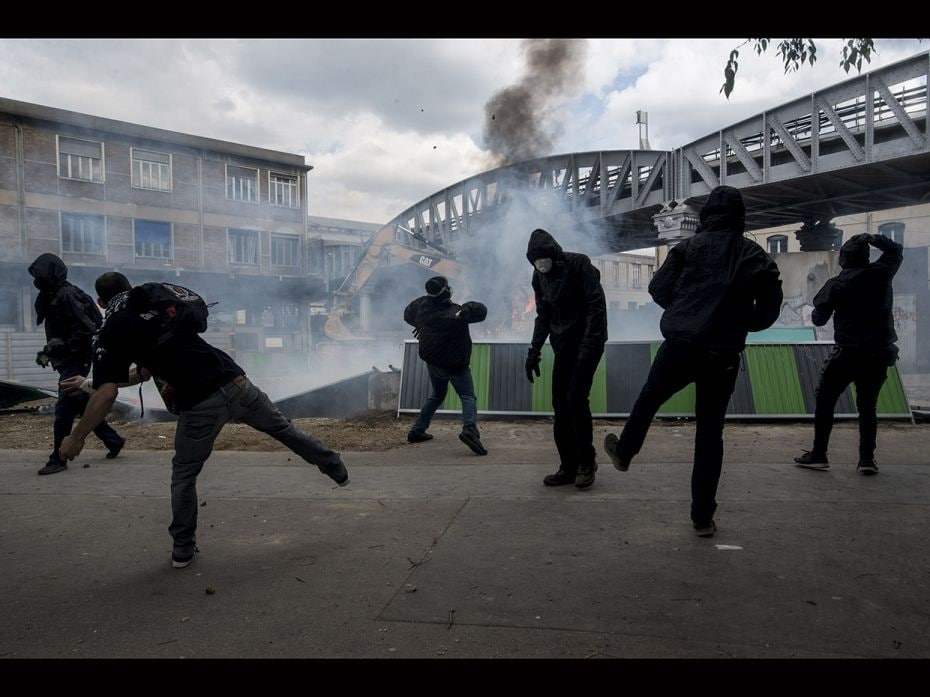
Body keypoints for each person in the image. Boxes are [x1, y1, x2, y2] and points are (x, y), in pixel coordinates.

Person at [59, 277, 349, 570]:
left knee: (184, 475)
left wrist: (77, 437)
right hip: (236, 383)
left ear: (100, 302)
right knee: (284, 429)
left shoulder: (114, 329)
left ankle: (183, 549)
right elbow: (143, 373)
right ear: (130, 287)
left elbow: (108, 392)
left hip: (199, 405)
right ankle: (334, 466)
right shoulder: (155, 305)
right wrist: (88, 383)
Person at [602, 185, 783, 536]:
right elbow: (770, 309)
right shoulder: (756, 256)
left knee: (649, 397)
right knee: (709, 434)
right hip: (723, 354)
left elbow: (658, 289)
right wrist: (741, 324)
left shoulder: (687, 247)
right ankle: (702, 517)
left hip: (681, 345)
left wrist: (685, 311)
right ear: (739, 215)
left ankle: (625, 450)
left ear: (705, 216)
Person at [794, 232, 903, 475]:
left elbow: (819, 318)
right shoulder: (882, 274)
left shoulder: (838, 283)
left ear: (844, 259)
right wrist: (875, 238)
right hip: (878, 354)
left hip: (848, 354)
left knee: (825, 399)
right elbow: (895, 250)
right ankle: (866, 460)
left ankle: (819, 453)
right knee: (867, 406)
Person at [524, 228, 608, 490]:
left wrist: (589, 347)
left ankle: (586, 462)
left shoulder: (579, 264)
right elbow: (543, 315)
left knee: (575, 400)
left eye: (543, 257)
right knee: (560, 405)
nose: (540, 263)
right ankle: (567, 466)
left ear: (553, 253)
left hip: (587, 342)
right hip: (563, 346)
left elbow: (596, 306)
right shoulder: (539, 277)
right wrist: (534, 349)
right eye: (535, 260)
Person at [28, 253, 125, 476]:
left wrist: (57, 345)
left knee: (64, 411)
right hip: (66, 358)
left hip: (76, 359)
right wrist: (47, 351)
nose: (37, 280)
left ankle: (58, 457)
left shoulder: (67, 295)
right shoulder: (51, 296)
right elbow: (60, 332)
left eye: (40, 274)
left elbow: (86, 330)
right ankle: (113, 440)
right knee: (81, 404)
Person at [404, 275, 489, 455]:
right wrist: (468, 307)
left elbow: (407, 315)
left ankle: (417, 431)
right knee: (467, 396)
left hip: (433, 360)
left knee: (437, 395)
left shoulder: (420, 305)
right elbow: (482, 312)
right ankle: (470, 430)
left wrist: (421, 325)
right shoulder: (455, 314)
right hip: (454, 363)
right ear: (445, 291)